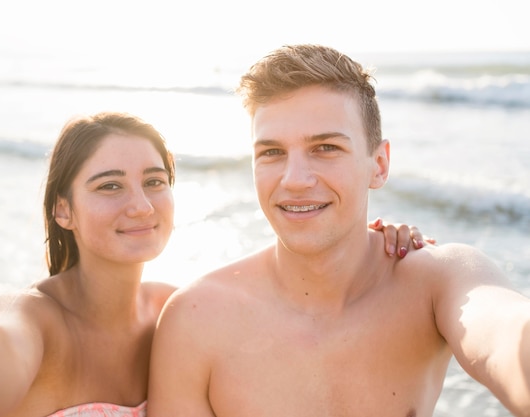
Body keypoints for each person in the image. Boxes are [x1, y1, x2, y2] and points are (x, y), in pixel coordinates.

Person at [0, 111, 427, 417]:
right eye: (109, 185)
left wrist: (370, 254)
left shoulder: (177, 310)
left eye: (154, 182)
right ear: (63, 209)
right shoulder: (33, 321)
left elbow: (294, 319)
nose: (140, 204)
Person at [148, 44, 530, 417]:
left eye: (326, 148)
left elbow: (503, 337)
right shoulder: (196, 320)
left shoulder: (436, 280)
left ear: (378, 165)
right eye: (271, 152)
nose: (294, 180)